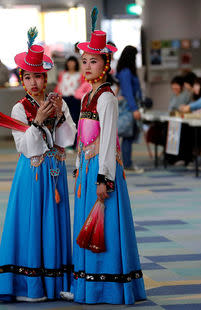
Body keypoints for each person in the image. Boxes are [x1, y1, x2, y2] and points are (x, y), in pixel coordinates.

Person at [61, 14, 146, 304]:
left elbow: (109, 140)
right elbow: (82, 137)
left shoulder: (107, 97)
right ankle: (86, 284)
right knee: (87, 224)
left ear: (106, 64)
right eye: (83, 61)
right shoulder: (87, 96)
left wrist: (104, 177)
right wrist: (77, 165)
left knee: (105, 227)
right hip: (86, 168)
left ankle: (106, 286)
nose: (87, 66)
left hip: (100, 169)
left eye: (93, 61)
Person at [0, 28, 76, 302]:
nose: (34, 82)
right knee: (32, 224)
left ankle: (57, 284)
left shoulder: (56, 102)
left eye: (38, 76)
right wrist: (38, 120)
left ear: (45, 77)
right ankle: (31, 286)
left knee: (56, 225)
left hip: (56, 173)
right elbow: (26, 148)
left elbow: (67, 139)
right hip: (33, 175)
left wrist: (60, 114)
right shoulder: (20, 109)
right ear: (22, 79)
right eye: (28, 77)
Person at [116, 45, 144, 173]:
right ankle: (127, 162)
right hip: (128, 107)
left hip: (129, 105)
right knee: (128, 134)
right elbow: (128, 92)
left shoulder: (125, 71)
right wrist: (134, 109)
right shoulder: (126, 72)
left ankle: (126, 162)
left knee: (129, 135)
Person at [54, 56, 84, 146]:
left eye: (73, 62)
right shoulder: (63, 74)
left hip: (75, 99)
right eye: (69, 62)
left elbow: (83, 87)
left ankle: (75, 143)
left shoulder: (80, 75)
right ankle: (66, 143)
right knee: (64, 120)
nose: (71, 64)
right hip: (64, 98)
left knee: (75, 120)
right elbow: (59, 86)